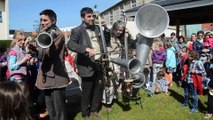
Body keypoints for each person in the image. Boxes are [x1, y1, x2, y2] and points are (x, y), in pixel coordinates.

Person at [67, 7, 104, 120]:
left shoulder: (98, 28)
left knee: (98, 88)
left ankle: (94, 109)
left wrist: (105, 27)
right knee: (87, 91)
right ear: (82, 18)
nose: (92, 18)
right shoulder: (77, 30)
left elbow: (104, 41)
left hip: (100, 63)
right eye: (89, 16)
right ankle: (85, 113)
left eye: (92, 16)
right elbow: (70, 44)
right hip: (86, 65)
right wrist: (86, 49)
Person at [35, 9, 70, 120]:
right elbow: (40, 51)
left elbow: (50, 53)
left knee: (58, 107)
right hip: (46, 74)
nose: (42, 22)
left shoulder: (58, 34)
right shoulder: (43, 33)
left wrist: (36, 48)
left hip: (56, 76)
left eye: (45, 20)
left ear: (53, 21)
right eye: (41, 20)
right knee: (50, 106)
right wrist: (33, 47)